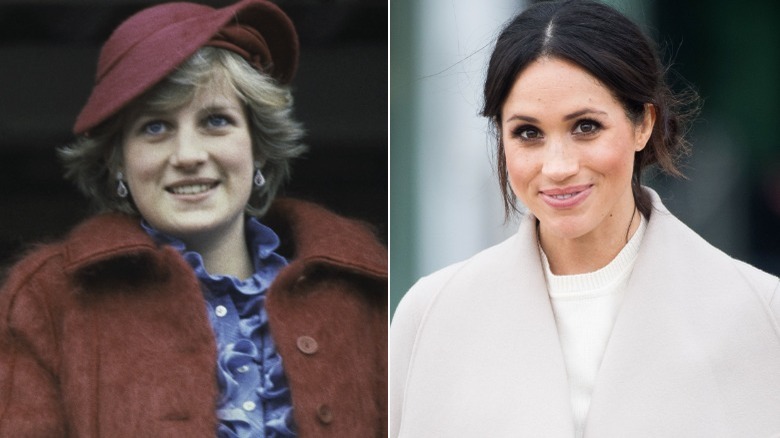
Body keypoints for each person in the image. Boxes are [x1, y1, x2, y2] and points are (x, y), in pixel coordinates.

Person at [390, 1, 780, 437]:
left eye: (586, 127)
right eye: (528, 133)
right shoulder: (431, 318)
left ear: (642, 124)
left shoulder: (759, 315)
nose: (557, 166)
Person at [0, 1, 387, 436]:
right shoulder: (46, 300)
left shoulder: (372, 291)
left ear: (257, 146)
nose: (188, 156)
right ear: (118, 162)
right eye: (155, 127)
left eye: (216, 121)